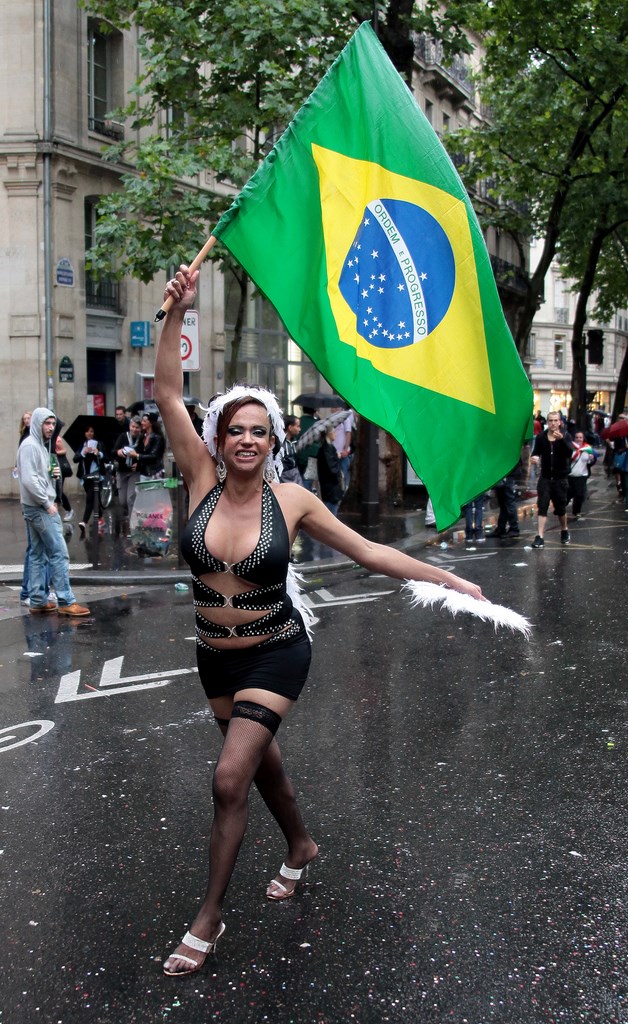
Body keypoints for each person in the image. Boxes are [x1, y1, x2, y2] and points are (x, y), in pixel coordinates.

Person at [155, 266, 484, 978]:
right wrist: (176, 312)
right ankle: (300, 845)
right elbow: (168, 391)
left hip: (277, 649)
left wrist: (449, 578)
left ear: (273, 440)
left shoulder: (294, 499)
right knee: (261, 764)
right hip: (215, 656)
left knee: (228, 777)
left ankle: (209, 914)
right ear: (217, 437)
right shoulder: (198, 481)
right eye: (235, 430)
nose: (246, 440)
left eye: (259, 432)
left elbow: (368, 553)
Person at [15, 407, 90, 617]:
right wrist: (47, 502)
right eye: (46, 423)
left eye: (52, 424)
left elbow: (37, 476)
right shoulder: (31, 446)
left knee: (38, 554)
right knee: (59, 553)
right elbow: (29, 480)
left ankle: (38, 600)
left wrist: (52, 474)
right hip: (39, 507)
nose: (50, 428)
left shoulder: (40, 445)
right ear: (38, 424)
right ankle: (66, 599)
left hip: (35, 506)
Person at [530, 411, 575, 548]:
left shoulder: (565, 436)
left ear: (560, 422)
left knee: (560, 508)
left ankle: (564, 530)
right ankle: (540, 536)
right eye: (550, 421)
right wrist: (534, 458)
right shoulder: (541, 437)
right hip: (545, 478)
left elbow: (569, 453)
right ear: (547, 422)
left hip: (560, 479)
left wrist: (561, 440)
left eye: (556, 420)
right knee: (542, 507)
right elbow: (535, 452)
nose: (553, 423)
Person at [73, 425, 107, 536]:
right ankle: (101, 517)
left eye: (91, 431)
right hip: (85, 477)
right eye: (87, 431)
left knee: (90, 499)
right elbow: (75, 459)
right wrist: (83, 452)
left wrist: (99, 453)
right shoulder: (82, 445)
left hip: (96, 476)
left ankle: (84, 521)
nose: (89, 433)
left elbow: (105, 457)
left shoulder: (99, 444)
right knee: (93, 499)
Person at [112, 415, 143, 533]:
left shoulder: (142, 439)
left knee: (131, 498)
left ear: (140, 429)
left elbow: (144, 455)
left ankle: (132, 526)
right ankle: (131, 513)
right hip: (122, 471)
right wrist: (118, 452)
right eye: (133, 427)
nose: (134, 429)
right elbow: (113, 451)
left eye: (137, 427)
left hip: (134, 472)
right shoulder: (123, 437)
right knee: (122, 501)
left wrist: (138, 463)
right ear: (130, 426)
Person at [568, 431, 596, 519]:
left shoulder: (587, 449)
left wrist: (591, 459)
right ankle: (561, 509)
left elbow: (589, 463)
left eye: (580, 437)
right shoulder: (570, 447)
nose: (579, 439)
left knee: (579, 495)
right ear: (574, 438)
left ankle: (576, 511)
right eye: (577, 437)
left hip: (582, 475)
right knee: (568, 494)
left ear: (583, 439)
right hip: (570, 475)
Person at [317, 424, 343, 516]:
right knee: (331, 512)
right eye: (334, 432)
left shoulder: (329, 448)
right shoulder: (326, 449)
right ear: (329, 433)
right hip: (330, 487)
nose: (335, 434)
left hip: (330, 487)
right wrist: (337, 457)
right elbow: (332, 468)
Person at [295, 407, 320, 491]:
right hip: (312, 456)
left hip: (298, 454)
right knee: (308, 480)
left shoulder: (298, 421)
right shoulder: (316, 423)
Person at [331, 407, 354, 493]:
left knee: (344, 474)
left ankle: (344, 491)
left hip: (342, 453)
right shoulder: (331, 419)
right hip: (334, 453)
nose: (334, 409)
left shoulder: (345, 418)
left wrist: (345, 449)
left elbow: (348, 433)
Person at [137, 412, 165, 477]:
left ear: (151, 422)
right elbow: (139, 451)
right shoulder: (142, 437)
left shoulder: (157, 438)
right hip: (143, 472)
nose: (142, 423)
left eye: (144, 421)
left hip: (155, 472)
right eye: (142, 421)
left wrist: (137, 456)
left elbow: (154, 456)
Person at [279, 415, 302, 484]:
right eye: (297, 426)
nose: (299, 429)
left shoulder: (294, 442)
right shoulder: (280, 444)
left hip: (295, 474)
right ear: (290, 427)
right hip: (285, 477)